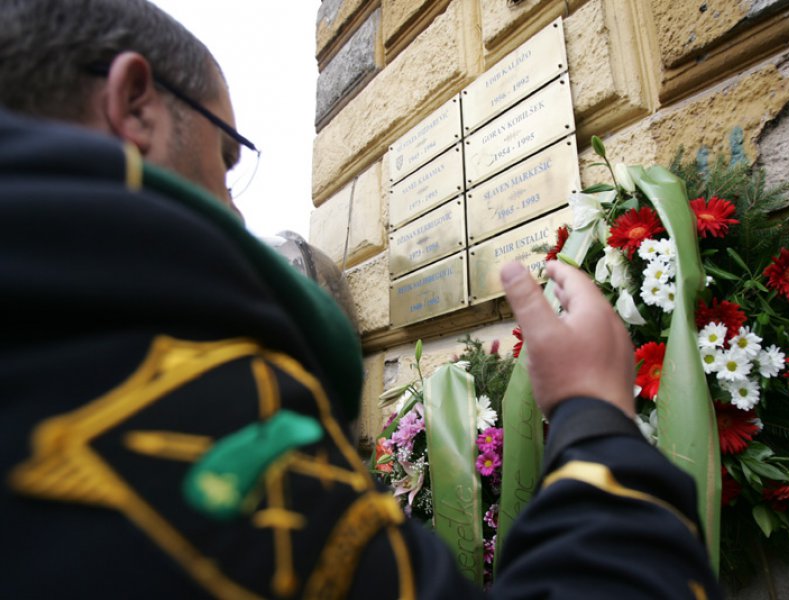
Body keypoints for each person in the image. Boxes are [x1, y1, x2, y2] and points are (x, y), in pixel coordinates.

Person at [0, 0, 721, 598]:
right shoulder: (187, 402)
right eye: (225, 157)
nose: (233, 207)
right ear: (135, 105)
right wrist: (593, 412)